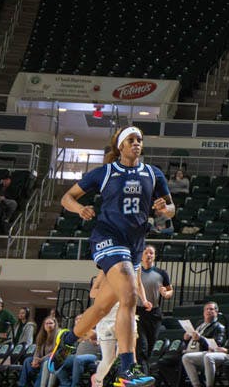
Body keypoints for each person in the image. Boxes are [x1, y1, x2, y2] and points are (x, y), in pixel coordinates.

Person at [50, 126, 173, 387]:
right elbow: (66, 197)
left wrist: (165, 209)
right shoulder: (105, 173)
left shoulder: (153, 173)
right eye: (131, 139)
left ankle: (68, 340)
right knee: (129, 296)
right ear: (120, 145)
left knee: (103, 307)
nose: (137, 143)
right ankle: (127, 368)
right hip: (108, 237)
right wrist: (80, 208)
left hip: (135, 244)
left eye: (139, 139)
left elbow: (171, 208)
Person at [174, 302, 227, 387]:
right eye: (206, 309)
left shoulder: (219, 327)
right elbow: (193, 341)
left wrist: (200, 339)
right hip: (191, 350)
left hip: (205, 353)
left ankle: (196, 385)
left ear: (216, 312)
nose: (208, 311)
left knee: (184, 358)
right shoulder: (199, 324)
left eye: (211, 309)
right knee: (169, 360)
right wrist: (186, 338)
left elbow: (217, 345)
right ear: (203, 312)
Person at [135, 246, 172, 364]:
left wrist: (166, 293)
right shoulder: (136, 271)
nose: (149, 255)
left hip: (154, 313)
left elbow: (170, 290)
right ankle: (142, 373)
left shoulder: (161, 273)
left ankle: (145, 370)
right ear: (141, 256)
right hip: (138, 312)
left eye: (151, 253)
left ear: (154, 256)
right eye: (146, 253)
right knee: (142, 346)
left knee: (150, 345)